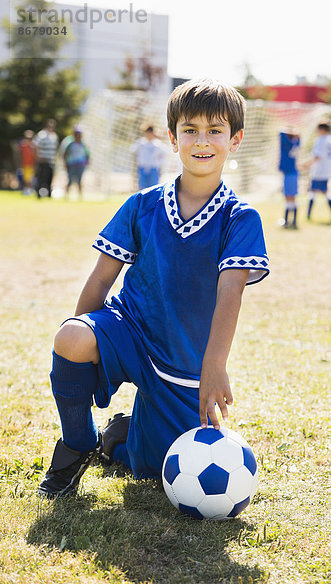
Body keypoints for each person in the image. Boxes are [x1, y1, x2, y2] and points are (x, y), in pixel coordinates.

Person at [38, 79, 270, 498]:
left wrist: (214, 366)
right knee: (71, 336)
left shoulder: (240, 218)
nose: (202, 140)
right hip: (130, 328)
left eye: (215, 130)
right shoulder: (142, 204)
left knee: (153, 471)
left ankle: (121, 436)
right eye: (190, 129)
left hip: (183, 362)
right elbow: (102, 277)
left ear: (235, 140)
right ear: (172, 137)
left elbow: (230, 293)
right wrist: (81, 335)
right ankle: (78, 443)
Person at [306, 122, 331, 222]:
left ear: (323, 130)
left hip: (318, 171)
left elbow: (317, 156)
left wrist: (306, 164)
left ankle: (308, 214)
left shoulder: (320, 141)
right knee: (326, 192)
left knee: (313, 192)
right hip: (327, 171)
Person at [129, 124, 169, 190]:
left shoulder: (158, 144)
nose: (148, 135)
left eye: (150, 133)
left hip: (154, 168)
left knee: (154, 188)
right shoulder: (141, 142)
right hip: (142, 168)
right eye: (147, 133)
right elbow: (132, 150)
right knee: (142, 188)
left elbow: (166, 153)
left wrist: (160, 161)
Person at [60, 125, 90, 198]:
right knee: (70, 180)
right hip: (71, 164)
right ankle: (66, 195)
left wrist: (87, 162)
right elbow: (65, 154)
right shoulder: (70, 144)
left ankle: (80, 196)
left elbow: (87, 154)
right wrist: (65, 163)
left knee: (79, 181)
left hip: (80, 165)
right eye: (77, 134)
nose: (78, 136)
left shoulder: (83, 144)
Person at [278, 127, 300, 229]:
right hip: (292, 172)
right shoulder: (296, 141)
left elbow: (281, 132)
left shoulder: (286, 142)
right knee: (291, 197)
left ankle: (288, 220)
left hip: (290, 173)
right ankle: (291, 220)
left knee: (289, 197)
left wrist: (291, 131)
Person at [34, 119, 59, 198]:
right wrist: (38, 157)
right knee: (41, 178)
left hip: (51, 160)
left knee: (49, 178)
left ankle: (48, 195)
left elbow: (56, 148)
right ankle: (38, 194)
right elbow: (36, 146)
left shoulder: (54, 136)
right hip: (43, 160)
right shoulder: (42, 134)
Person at [18, 130, 36, 195]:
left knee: (30, 178)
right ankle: (27, 190)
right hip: (25, 164)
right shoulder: (23, 145)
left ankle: (29, 189)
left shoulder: (33, 146)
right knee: (26, 178)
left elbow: (35, 156)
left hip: (31, 164)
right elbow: (21, 155)